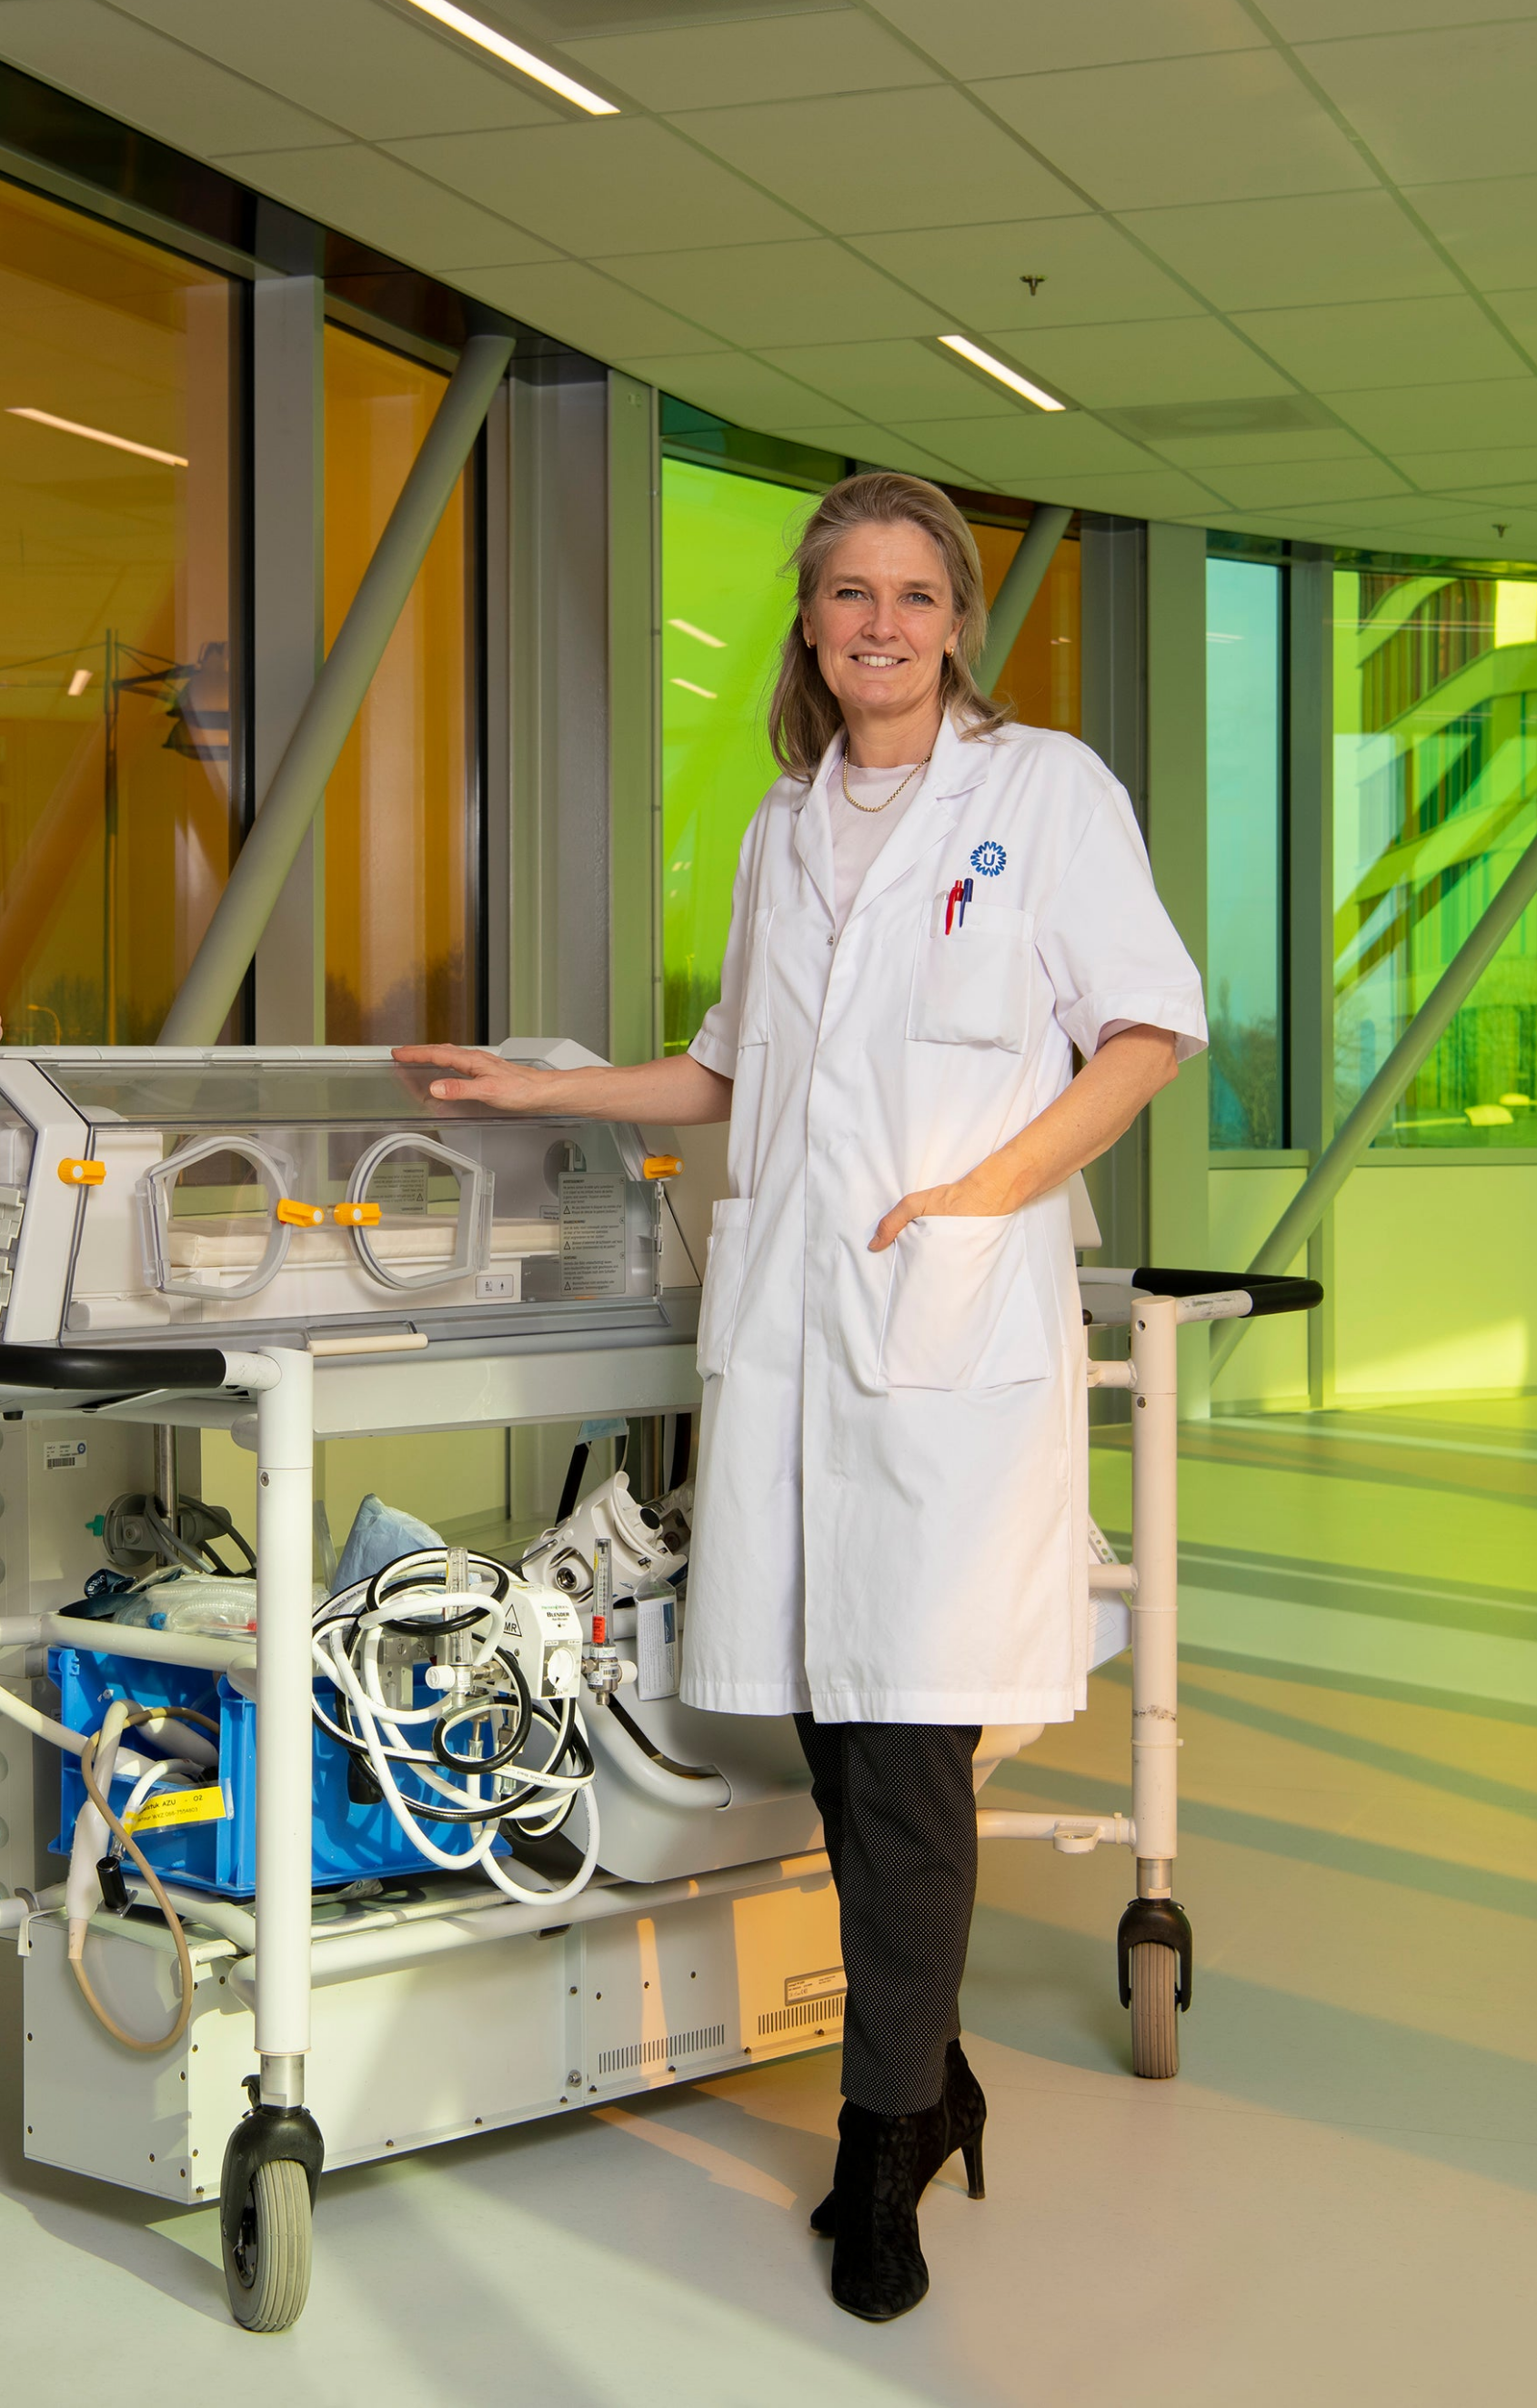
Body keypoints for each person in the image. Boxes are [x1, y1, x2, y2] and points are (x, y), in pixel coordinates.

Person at [397, 470, 1200, 2323]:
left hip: (938, 1332)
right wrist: (539, 1098)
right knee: (840, 1734)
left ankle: (877, 2136)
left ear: (956, 619)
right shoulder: (778, 824)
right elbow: (723, 1074)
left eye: (912, 593)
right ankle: (926, 2082)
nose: (879, 622)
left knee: (906, 1740)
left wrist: (985, 1194)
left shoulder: (1040, 792)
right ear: (810, 625)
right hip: (787, 1340)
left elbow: (1145, 1029)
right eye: (846, 592)